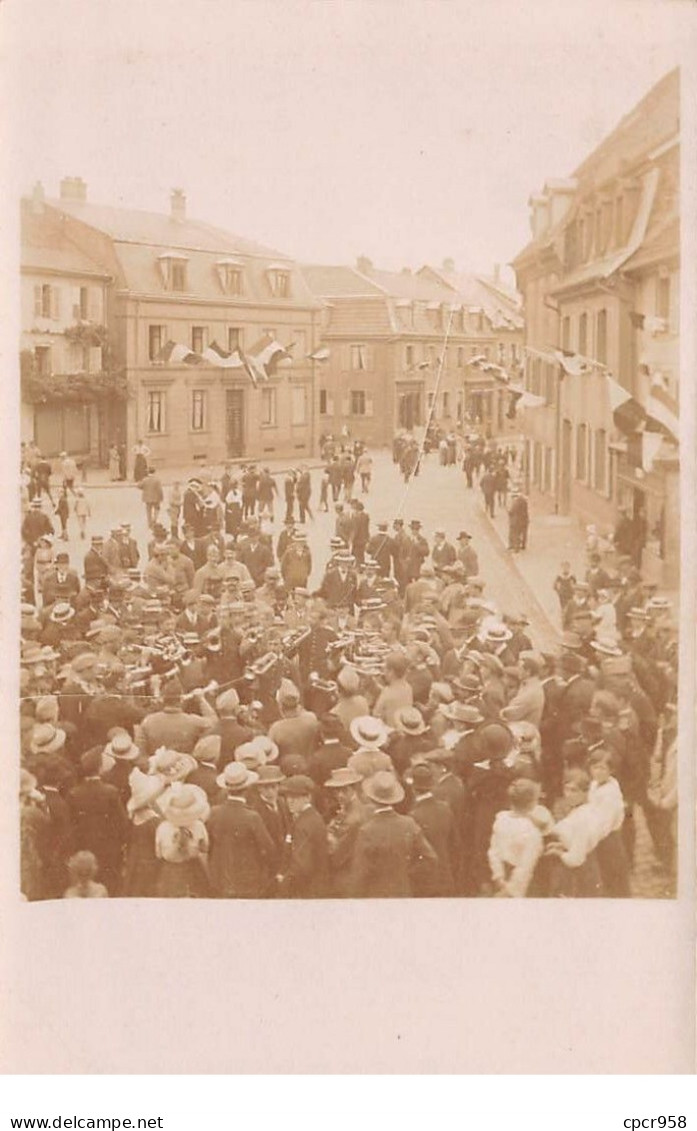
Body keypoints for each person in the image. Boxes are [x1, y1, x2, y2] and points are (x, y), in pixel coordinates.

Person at [350, 771, 437, 898]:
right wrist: (407, 873)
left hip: (376, 895)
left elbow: (360, 874)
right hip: (404, 892)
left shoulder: (367, 831)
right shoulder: (409, 824)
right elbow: (430, 858)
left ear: (371, 798)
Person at [208, 763, 275, 898]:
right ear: (247, 788)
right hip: (248, 880)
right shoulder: (252, 816)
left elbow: (209, 845)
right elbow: (269, 849)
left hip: (220, 878)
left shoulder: (214, 812)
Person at [278, 774, 330, 897]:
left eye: (295, 797)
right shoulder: (311, 817)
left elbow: (301, 866)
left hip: (306, 889)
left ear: (307, 798)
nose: (289, 801)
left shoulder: (304, 823)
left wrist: (284, 881)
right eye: (287, 797)